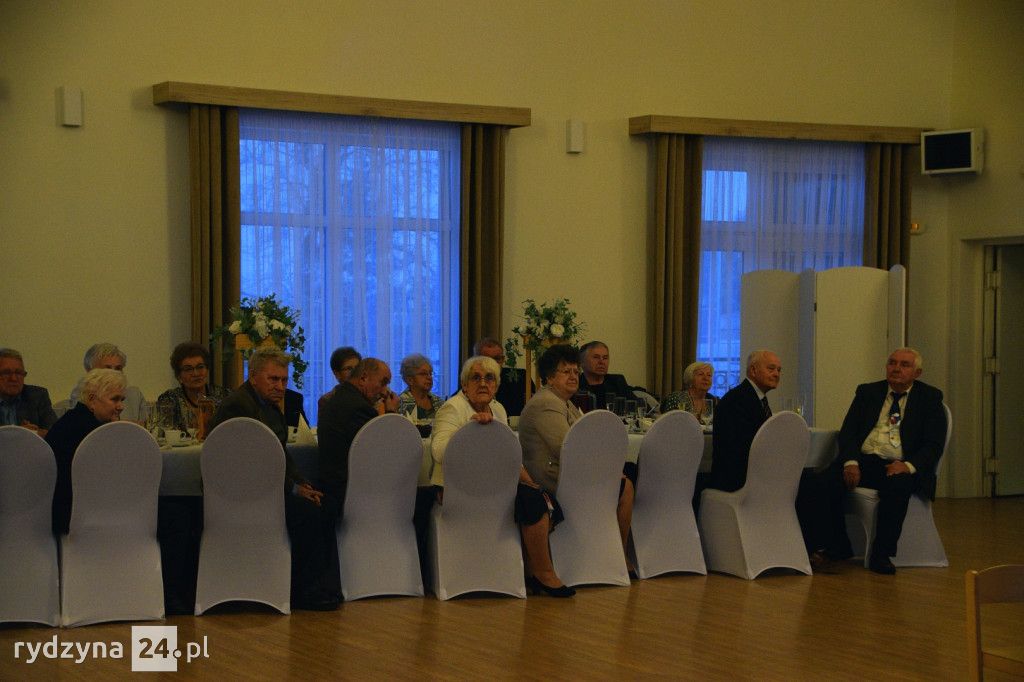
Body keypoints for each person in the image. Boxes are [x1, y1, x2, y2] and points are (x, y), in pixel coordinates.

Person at [208, 347, 338, 610]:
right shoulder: (239, 406)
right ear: (254, 376)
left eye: (284, 380)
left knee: (325, 503)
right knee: (307, 512)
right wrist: (293, 489)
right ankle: (305, 590)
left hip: (265, 487)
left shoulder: (269, 405)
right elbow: (251, 463)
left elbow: (281, 454)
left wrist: (302, 483)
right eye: (273, 379)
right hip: (240, 493)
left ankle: (323, 586)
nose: (280, 386)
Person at [817, 348, 948, 575]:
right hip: (864, 461)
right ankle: (837, 546)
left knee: (898, 485)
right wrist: (851, 462)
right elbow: (848, 432)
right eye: (892, 363)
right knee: (822, 482)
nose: (896, 368)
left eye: (904, 365)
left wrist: (907, 466)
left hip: (899, 464)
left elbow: (933, 444)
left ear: (917, 373)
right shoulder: (868, 392)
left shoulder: (930, 398)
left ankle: (882, 554)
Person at [520, 345, 636, 592]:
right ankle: (618, 555)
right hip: (550, 479)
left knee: (625, 480)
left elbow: (588, 442)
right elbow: (568, 449)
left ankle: (617, 554)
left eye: (575, 371)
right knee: (624, 486)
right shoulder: (546, 403)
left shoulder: (563, 401)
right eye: (566, 372)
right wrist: (605, 470)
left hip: (567, 474)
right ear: (550, 377)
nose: (573, 376)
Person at [45, 368, 127, 535]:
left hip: (63, 513)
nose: (121, 406)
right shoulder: (92, 433)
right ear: (91, 400)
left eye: (122, 400)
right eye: (115, 399)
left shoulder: (73, 420)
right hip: (78, 519)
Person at [317, 357, 399, 508]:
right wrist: (391, 413)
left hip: (334, 485)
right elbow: (383, 452)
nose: (385, 392)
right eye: (383, 383)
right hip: (350, 492)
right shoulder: (358, 408)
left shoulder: (342, 397)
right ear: (363, 378)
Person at [709, 349, 782, 493]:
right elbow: (739, 450)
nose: (777, 374)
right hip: (737, 484)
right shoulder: (736, 400)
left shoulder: (754, 397)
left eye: (779, 370)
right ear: (753, 370)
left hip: (753, 477)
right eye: (771, 368)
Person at [153, 342, 231, 433]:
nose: (196, 373)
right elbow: (165, 433)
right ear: (179, 376)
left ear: (207, 370)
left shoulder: (224, 396)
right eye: (188, 369)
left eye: (200, 367)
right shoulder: (169, 399)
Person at [69, 343, 148, 422]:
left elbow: (147, 425)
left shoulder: (135, 394)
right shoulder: (81, 395)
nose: (114, 374)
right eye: (107, 370)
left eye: (118, 369)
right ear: (90, 372)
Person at [0, 348, 57, 436]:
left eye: (19, 373)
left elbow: (57, 433)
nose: (13, 378)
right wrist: (19, 433)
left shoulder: (37, 396)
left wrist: (34, 433)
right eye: (6, 373)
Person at [474, 337, 532, 417]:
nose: (493, 363)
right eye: (488, 359)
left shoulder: (521, 379)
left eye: (497, 359)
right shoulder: (470, 384)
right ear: (476, 360)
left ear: (503, 359)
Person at [577, 341, 634, 410]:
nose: (602, 362)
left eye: (605, 358)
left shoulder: (617, 381)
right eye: (596, 357)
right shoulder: (576, 385)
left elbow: (635, 406)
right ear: (582, 362)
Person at [397, 353, 444, 420]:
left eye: (430, 373)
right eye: (423, 374)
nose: (429, 377)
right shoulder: (400, 404)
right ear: (410, 380)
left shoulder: (439, 403)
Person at [318, 346, 361, 416]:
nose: (354, 372)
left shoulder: (369, 395)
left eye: (357, 367)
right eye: (349, 368)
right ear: (337, 374)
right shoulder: (327, 400)